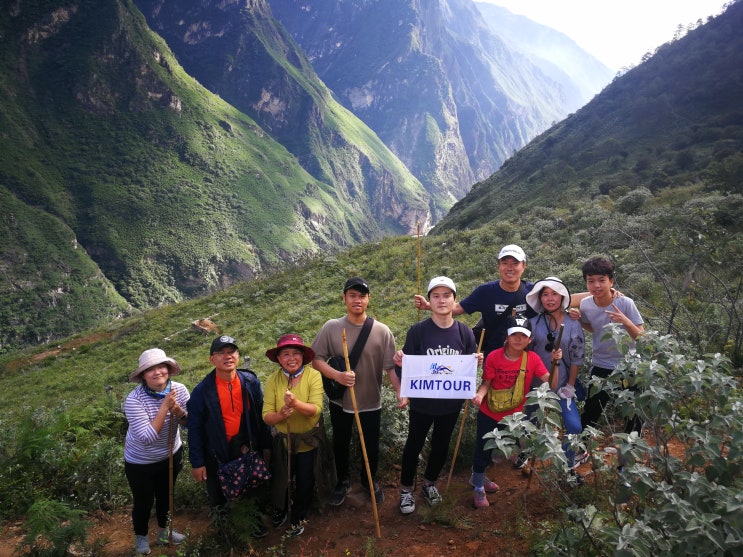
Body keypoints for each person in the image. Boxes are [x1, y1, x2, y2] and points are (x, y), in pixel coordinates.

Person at [391, 276, 482, 515]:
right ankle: (406, 489)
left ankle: (430, 483)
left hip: (450, 404)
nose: (442, 300)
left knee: (441, 445)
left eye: (447, 295)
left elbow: (468, 367)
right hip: (422, 403)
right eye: (436, 296)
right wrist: (400, 362)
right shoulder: (418, 331)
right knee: (414, 444)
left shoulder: (465, 333)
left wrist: (477, 362)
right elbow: (407, 367)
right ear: (429, 300)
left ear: (454, 299)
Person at [311, 277, 397, 506]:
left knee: (370, 445)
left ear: (368, 299)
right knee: (341, 443)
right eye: (352, 295)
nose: (357, 300)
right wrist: (337, 375)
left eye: (361, 295)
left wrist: (400, 391)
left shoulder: (382, 331)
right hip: (341, 401)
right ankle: (343, 481)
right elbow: (316, 359)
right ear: (344, 298)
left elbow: (390, 367)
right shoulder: (331, 327)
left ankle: (369, 481)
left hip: (371, 400)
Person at [187, 335, 271, 538]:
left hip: (246, 445)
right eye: (221, 353)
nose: (227, 357)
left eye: (231, 352)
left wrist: (266, 445)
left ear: (238, 356)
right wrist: (197, 462)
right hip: (216, 450)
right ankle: (223, 529)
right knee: (217, 493)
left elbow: (260, 416)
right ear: (211, 360)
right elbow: (195, 429)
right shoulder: (202, 391)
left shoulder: (249, 381)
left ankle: (253, 521)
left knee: (253, 485)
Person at [470, 316, 549, 508]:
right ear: (507, 336)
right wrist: (479, 396)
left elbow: (549, 381)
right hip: (489, 412)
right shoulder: (494, 356)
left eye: (523, 335)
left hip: (514, 417)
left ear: (530, 340)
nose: (518, 339)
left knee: (501, 450)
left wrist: (556, 363)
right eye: (515, 334)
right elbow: (486, 383)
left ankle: (478, 476)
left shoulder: (532, 359)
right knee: (483, 449)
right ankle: (478, 486)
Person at [262, 334, 332, 538]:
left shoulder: (313, 376)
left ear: (303, 356)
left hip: (307, 441)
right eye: (286, 354)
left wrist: (295, 404)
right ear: (279, 358)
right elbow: (267, 416)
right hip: (283, 442)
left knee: (305, 479)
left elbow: (315, 410)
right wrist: (280, 415)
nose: (291, 358)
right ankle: (281, 510)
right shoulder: (273, 380)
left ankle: (299, 516)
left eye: (296, 353)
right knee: (281, 478)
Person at [414, 244, 534, 360]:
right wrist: (428, 306)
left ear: (524, 266)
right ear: (498, 266)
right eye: (505, 263)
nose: (509, 268)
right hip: (493, 360)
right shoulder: (485, 292)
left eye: (515, 263)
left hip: (526, 359)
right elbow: (458, 309)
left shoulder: (533, 291)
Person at [124, 348, 190, 555]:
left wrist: (178, 411)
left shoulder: (179, 389)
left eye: (161, 366)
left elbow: (189, 424)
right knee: (143, 501)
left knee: (166, 496)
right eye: (150, 369)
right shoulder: (134, 400)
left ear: (168, 369)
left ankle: (164, 532)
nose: (157, 372)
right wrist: (164, 408)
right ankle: (141, 537)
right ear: (143, 375)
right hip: (140, 461)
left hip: (171, 453)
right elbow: (146, 437)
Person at [526, 277, 588, 486]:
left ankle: (567, 465)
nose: (550, 299)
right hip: (537, 388)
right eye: (545, 294)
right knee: (529, 427)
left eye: (554, 294)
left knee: (574, 427)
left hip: (563, 387)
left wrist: (570, 385)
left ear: (562, 297)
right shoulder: (533, 324)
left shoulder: (573, 323)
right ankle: (528, 460)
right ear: (539, 298)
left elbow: (577, 357)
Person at [578, 257, 644, 434]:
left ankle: (628, 455)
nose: (596, 286)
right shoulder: (585, 304)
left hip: (628, 366)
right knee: (591, 410)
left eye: (602, 280)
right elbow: (593, 327)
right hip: (600, 364)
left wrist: (625, 321)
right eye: (591, 281)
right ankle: (581, 449)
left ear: (611, 281)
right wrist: (579, 320)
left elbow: (642, 338)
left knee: (632, 413)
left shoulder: (624, 303)